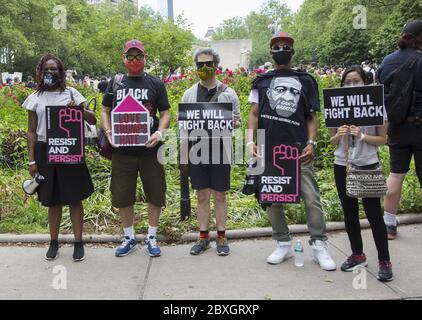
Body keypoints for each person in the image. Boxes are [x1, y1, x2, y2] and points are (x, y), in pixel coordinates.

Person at [247, 31, 337, 271]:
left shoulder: (306, 80)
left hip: (298, 150)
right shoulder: (261, 81)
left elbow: (311, 116)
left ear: (292, 50)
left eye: (286, 45)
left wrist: (312, 142)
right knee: (272, 197)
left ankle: (319, 245)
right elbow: (254, 113)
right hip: (268, 149)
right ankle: (282, 242)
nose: (281, 49)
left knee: (311, 199)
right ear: (271, 51)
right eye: (277, 46)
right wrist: (250, 141)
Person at [101, 39, 171, 258]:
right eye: (130, 56)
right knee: (123, 196)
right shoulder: (116, 83)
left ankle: (151, 236)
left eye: (138, 56)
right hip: (122, 152)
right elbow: (104, 110)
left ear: (145, 58)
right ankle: (129, 237)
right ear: (124, 58)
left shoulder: (155, 84)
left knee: (155, 193)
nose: (134, 60)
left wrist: (159, 133)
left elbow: (166, 112)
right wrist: (109, 131)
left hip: (150, 151)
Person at [23, 53, 96, 262]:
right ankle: (53, 242)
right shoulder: (35, 97)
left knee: (74, 199)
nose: (50, 72)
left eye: (54, 69)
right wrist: (32, 160)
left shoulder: (71, 93)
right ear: (40, 71)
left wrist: (79, 109)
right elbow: (31, 131)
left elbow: (91, 119)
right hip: (45, 151)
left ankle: (78, 242)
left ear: (60, 72)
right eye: (47, 68)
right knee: (52, 201)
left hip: (69, 148)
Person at [329, 66, 392, 282]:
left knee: (374, 214)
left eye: (356, 81)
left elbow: (383, 140)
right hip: (342, 163)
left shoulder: (376, 105)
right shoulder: (336, 106)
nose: (352, 85)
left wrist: (363, 136)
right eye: (348, 82)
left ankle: (384, 260)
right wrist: (339, 134)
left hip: (367, 164)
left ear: (365, 82)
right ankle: (357, 253)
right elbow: (331, 141)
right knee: (350, 213)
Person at [180, 48, 241, 256]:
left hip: (220, 148)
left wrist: (234, 122)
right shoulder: (189, 94)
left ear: (216, 65)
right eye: (200, 65)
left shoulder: (228, 93)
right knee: (202, 195)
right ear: (195, 67)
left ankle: (221, 236)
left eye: (208, 64)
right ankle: (203, 236)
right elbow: (183, 125)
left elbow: (238, 120)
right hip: (197, 150)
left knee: (220, 195)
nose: (204, 68)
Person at [377, 20, 422, 240]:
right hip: (420, 125)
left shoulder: (386, 61)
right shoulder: (421, 61)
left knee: (395, 174)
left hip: (396, 126)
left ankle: (388, 225)